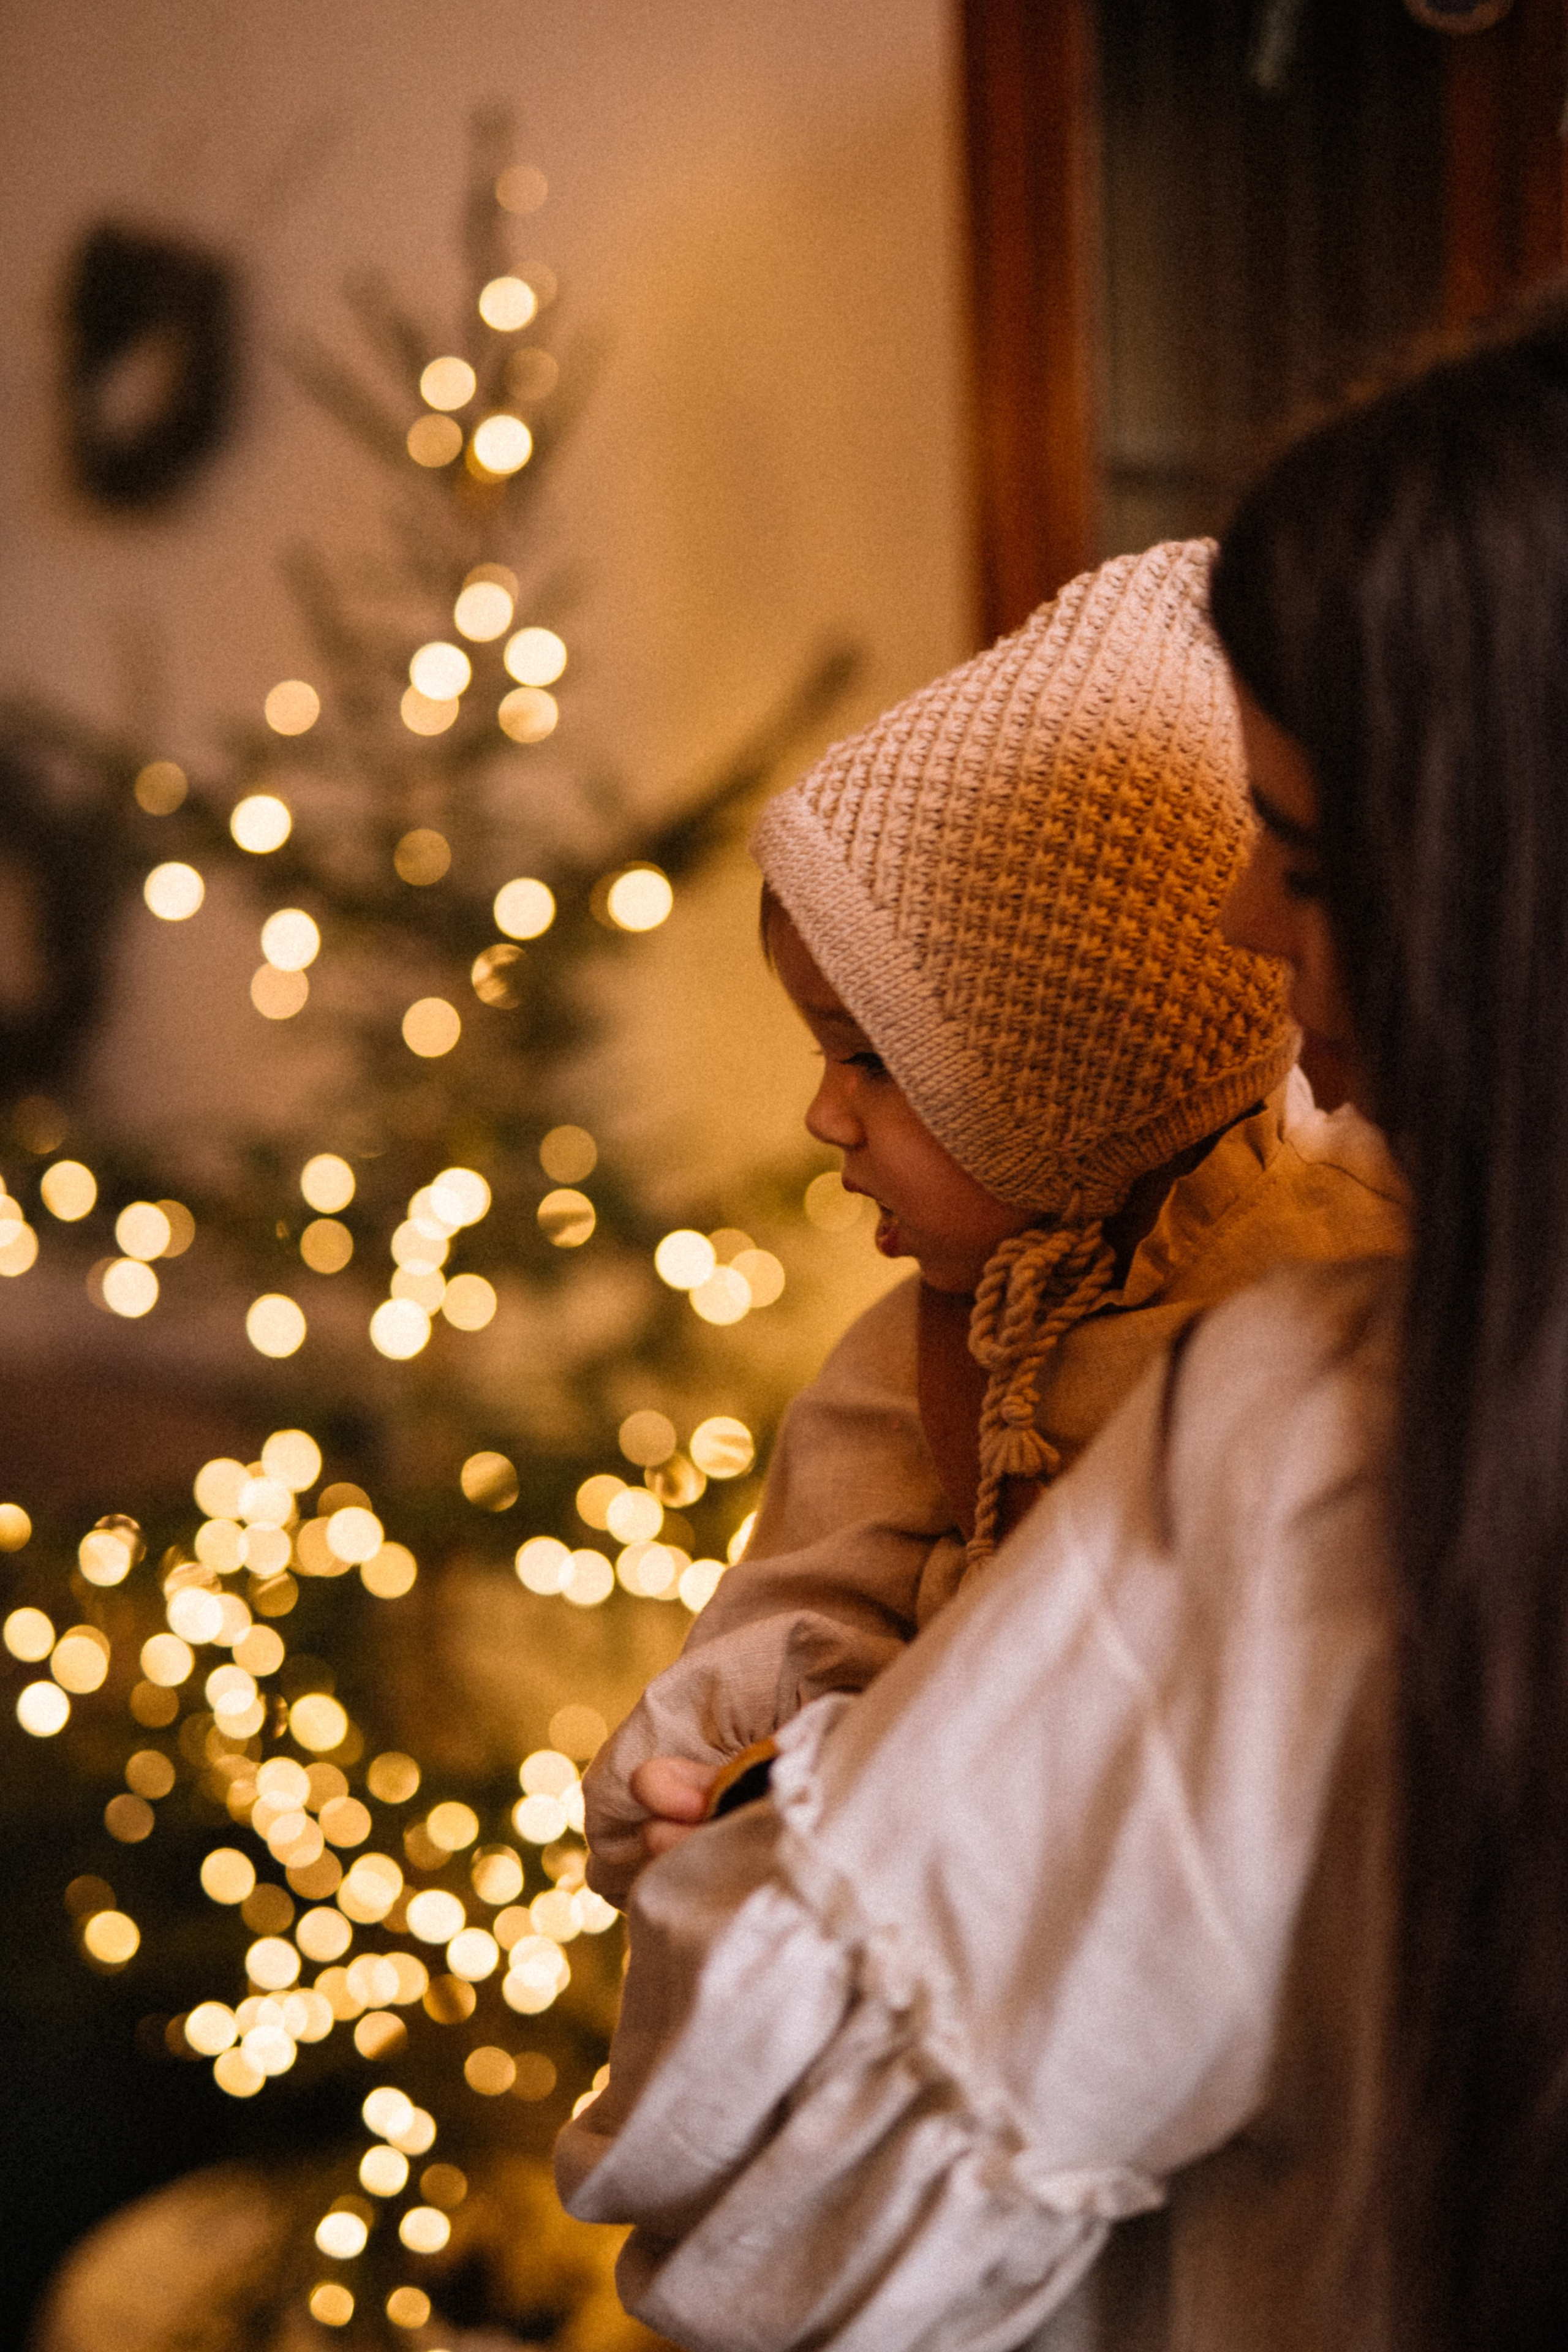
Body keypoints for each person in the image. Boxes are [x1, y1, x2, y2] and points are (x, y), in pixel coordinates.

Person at [557, 296, 1568, 2350]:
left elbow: (779, 2190)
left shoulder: (1316, 1402)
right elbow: (816, 1592)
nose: (1242, 921)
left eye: (1302, 854)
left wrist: (768, 1843)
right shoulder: (948, 1355)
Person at [586, 537, 1403, 1905]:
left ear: (1077, 1065)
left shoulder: (1317, 1303)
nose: (824, 1121)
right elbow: (813, 1595)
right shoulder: (930, 1349)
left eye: (869, 1063)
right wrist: (709, 1762)